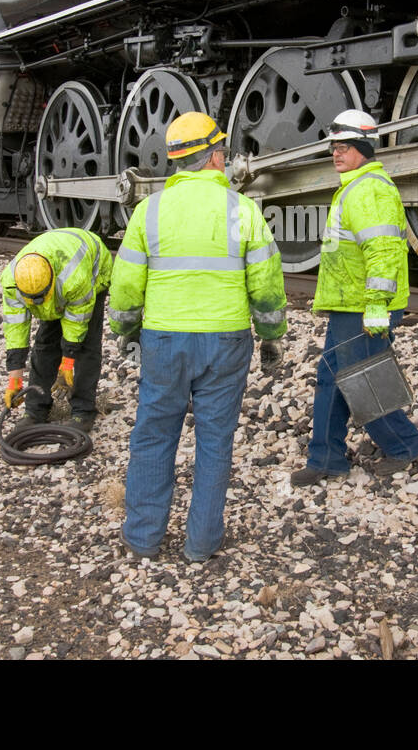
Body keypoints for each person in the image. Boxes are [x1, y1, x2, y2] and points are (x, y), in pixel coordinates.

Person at [110, 111, 287, 562]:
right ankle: (202, 544)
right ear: (213, 157)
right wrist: (270, 337)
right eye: (222, 150)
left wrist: (126, 332)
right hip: (226, 341)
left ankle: (144, 538)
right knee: (214, 440)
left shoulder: (148, 212)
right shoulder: (243, 210)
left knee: (152, 434)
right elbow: (266, 287)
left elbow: (126, 287)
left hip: (164, 341)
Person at [291, 109, 418, 486]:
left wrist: (375, 306)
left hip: (364, 308)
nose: (336, 153)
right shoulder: (356, 186)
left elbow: (383, 253)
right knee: (332, 379)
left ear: (364, 149)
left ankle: (406, 448)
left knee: (363, 381)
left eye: (345, 147)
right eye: (334, 147)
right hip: (348, 306)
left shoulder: (369, 190)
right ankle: (327, 458)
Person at [0, 228, 112, 433]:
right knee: (44, 345)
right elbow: (16, 326)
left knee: (86, 346)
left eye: (42, 297)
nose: (38, 303)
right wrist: (14, 378)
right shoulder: (11, 283)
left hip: (95, 271)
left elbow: (77, 323)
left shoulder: (75, 278)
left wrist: (67, 363)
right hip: (59, 272)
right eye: (33, 301)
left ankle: (83, 412)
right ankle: (35, 411)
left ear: (51, 282)